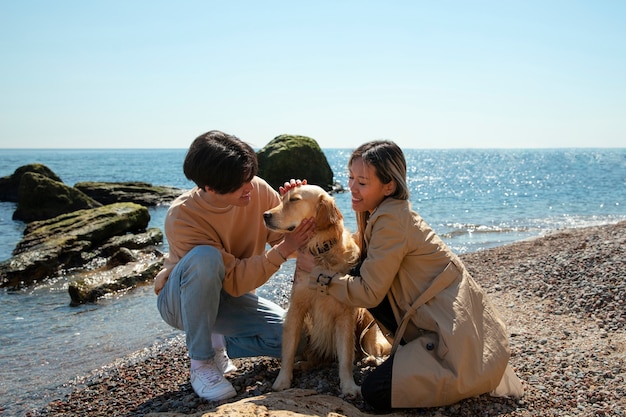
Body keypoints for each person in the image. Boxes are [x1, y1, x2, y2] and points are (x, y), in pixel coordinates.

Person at [297, 140, 523, 411]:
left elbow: (369, 291)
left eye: (362, 182)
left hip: (451, 340)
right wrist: (295, 208)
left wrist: (320, 278)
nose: (352, 188)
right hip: (441, 325)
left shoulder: (391, 221)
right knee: (357, 268)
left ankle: (445, 372)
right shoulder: (381, 213)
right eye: (350, 178)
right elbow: (353, 256)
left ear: (389, 186)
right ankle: (412, 356)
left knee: (375, 392)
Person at [154, 130, 314, 402]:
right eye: (241, 184)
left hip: (230, 301)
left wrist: (294, 209)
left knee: (299, 340)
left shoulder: (258, 190)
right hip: (182, 302)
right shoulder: (182, 217)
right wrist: (285, 248)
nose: (250, 187)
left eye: (249, 177)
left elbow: (289, 242)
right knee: (206, 258)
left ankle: (220, 342)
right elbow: (235, 278)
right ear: (210, 188)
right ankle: (202, 362)